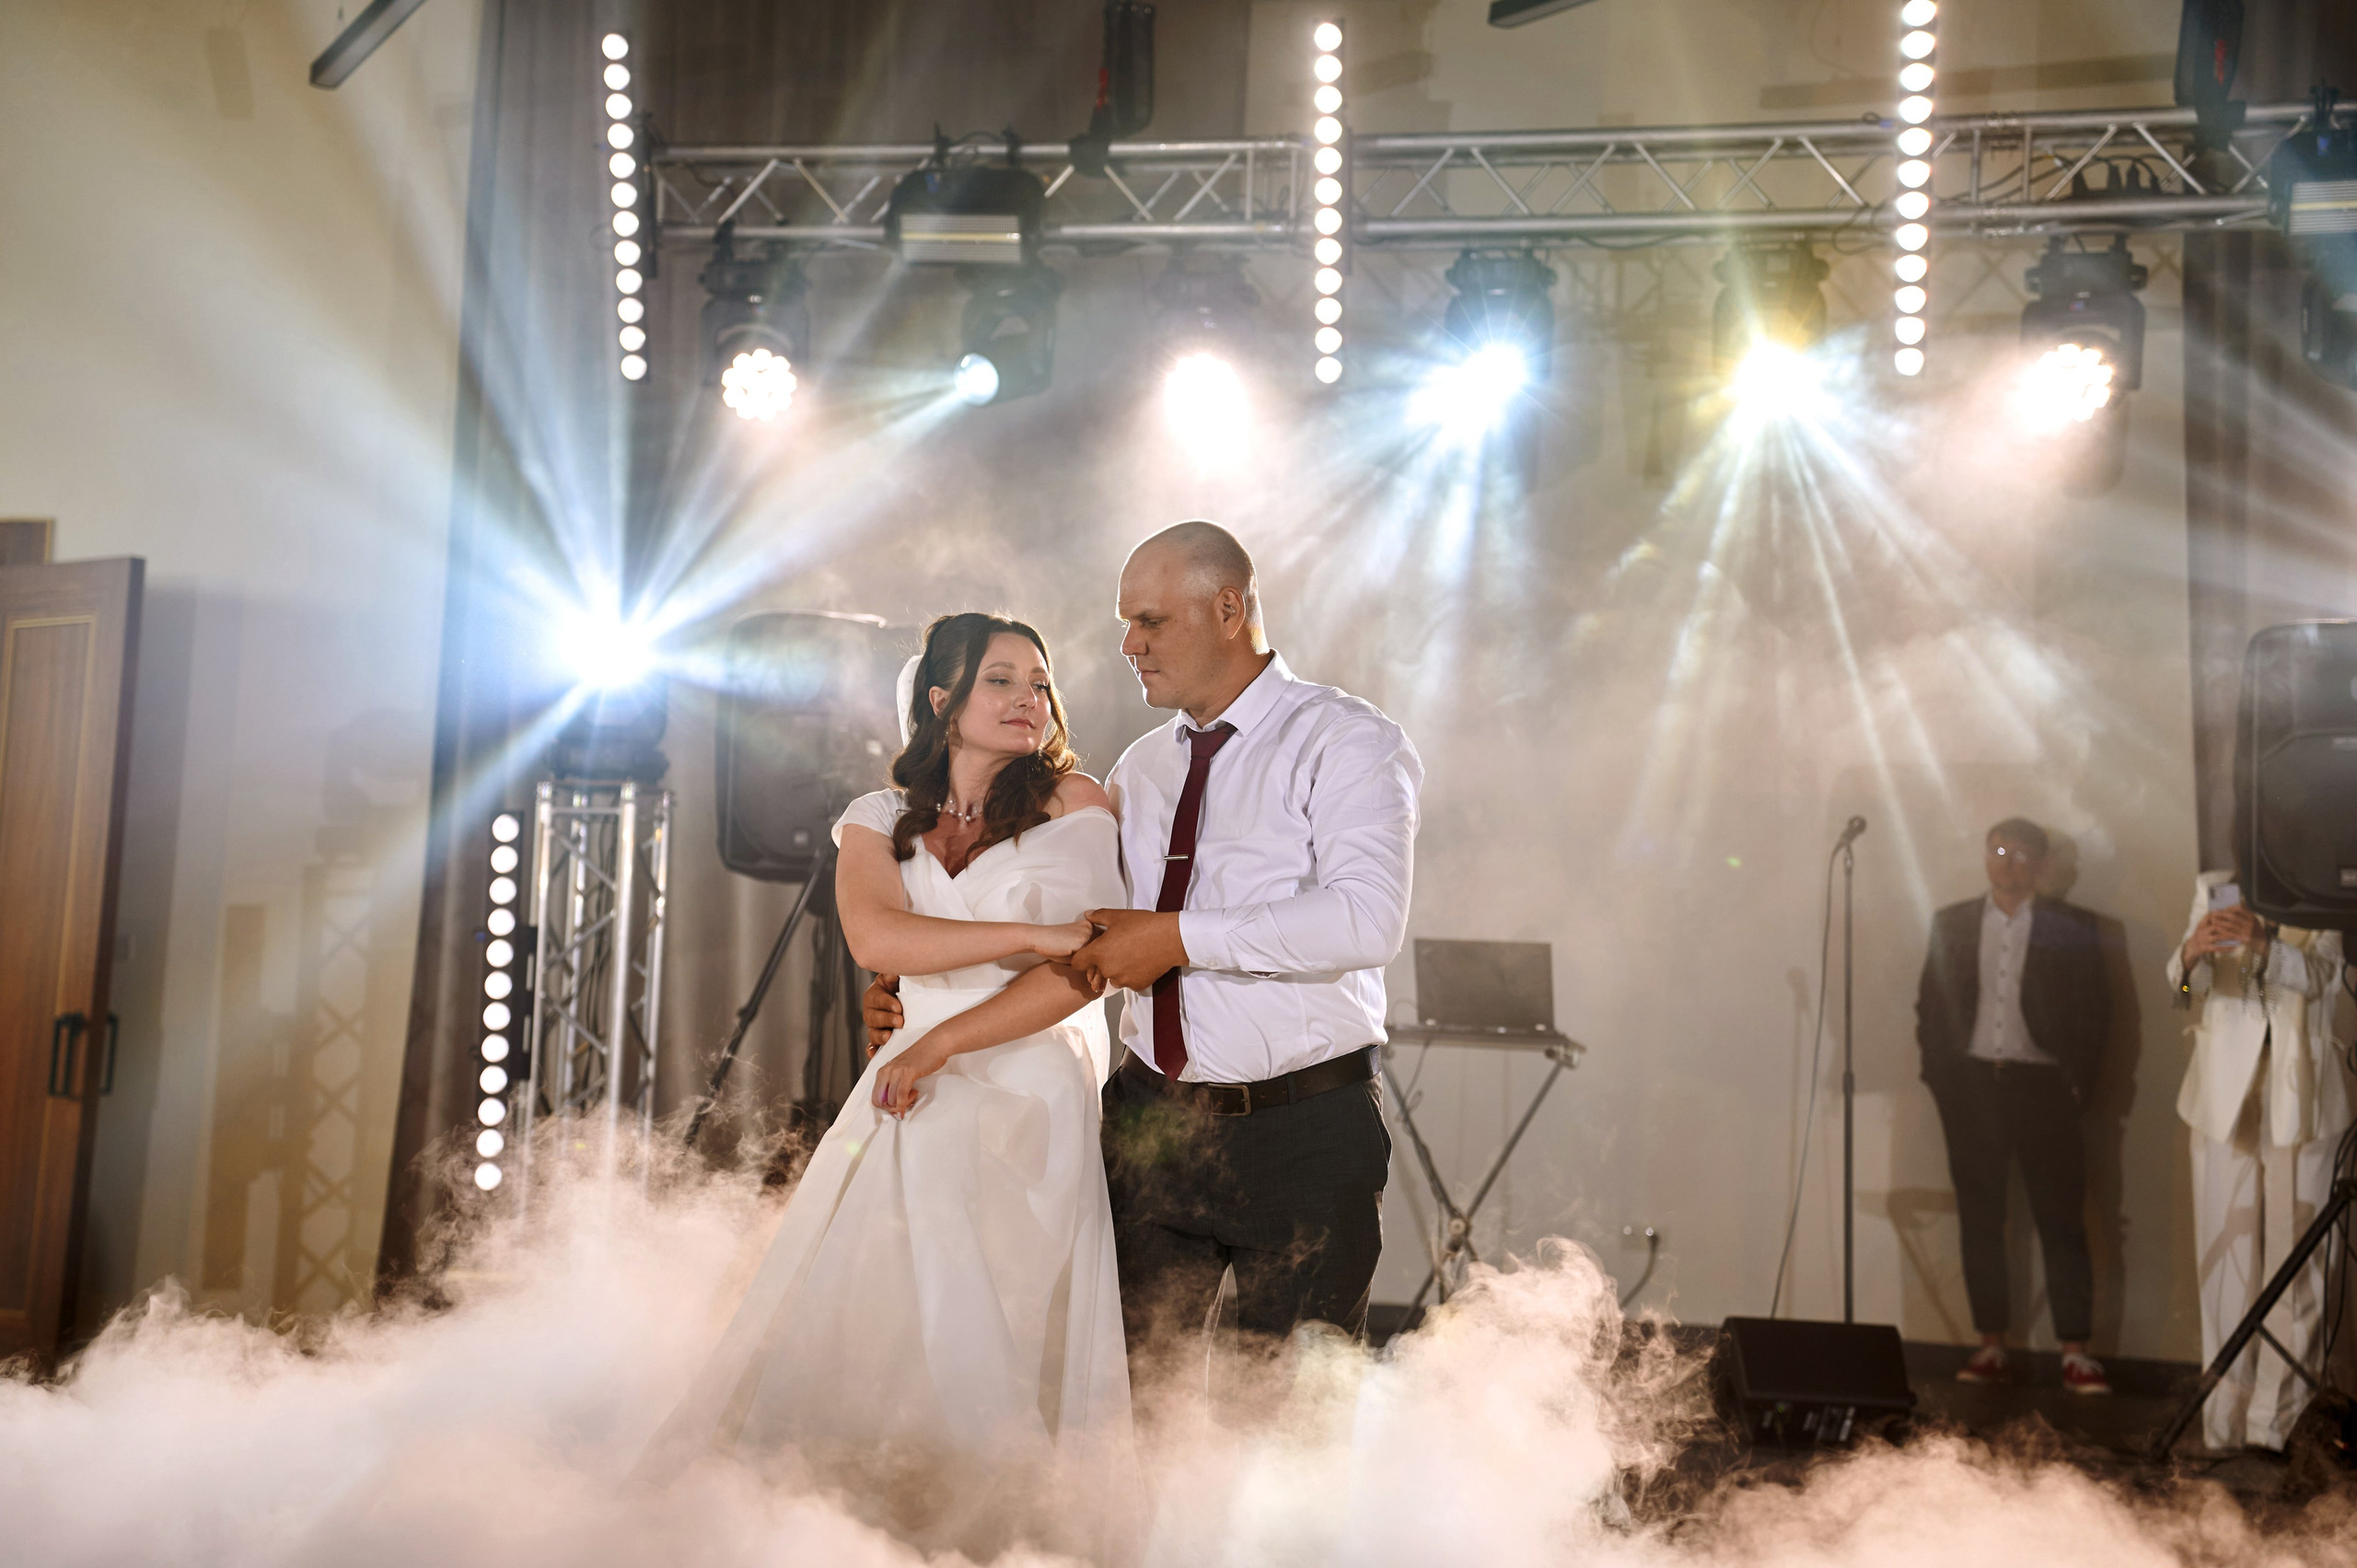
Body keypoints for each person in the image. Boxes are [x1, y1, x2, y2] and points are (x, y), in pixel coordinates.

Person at [866, 520, 1423, 1376]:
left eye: (1150, 622)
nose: (1128, 644)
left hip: (1304, 1130)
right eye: (1126, 622)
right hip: (1147, 1121)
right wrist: (921, 994)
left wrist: (1177, 936)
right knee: (1123, 1399)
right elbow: (1086, 942)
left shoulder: (1344, 740)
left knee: (1289, 1414)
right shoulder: (1139, 768)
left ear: (1229, 608)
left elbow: (1364, 921)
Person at [642, 613, 1133, 1555]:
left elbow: (1081, 969)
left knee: (1000, 1312)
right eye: (1001, 680)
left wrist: (938, 1036)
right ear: (940, 700)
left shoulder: (1077, 800)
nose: (1030, 698)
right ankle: (867, 1522)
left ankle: (994, 1527)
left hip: (1027, 1081)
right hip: (911, 1080)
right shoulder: (876, 814)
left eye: (1039, 681)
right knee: (874, 1305)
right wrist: (1025, 936)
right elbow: (879, 941)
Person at [1913, 817, 2112, 1394]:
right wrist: (1939, 1076)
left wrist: (2079, 1086)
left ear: (2043, 864)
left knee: (2062, 1220)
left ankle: (2076, 1352)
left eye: (2023, 854)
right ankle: (1990, 1346)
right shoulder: (1951, 923)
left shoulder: (2073, 925)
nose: (2009, 863)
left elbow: (2097, 1012)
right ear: (1984, 855)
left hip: (2045, 1087)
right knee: (1981, 1220)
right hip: (1971, 1086)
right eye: (1999, 850)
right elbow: (1930, 1002)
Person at [2166, 871, 2349, 1452]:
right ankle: (2221, 1426)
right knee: (2223, 1268)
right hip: (2224, 1098)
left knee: (2300, 1268)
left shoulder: (2329, 886)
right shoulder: (2216, 885)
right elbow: (2185, 999)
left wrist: (2266, 946)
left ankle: (2278, 1429)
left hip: (2305, 1097)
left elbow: (2328, 980)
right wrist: (2189, 958)